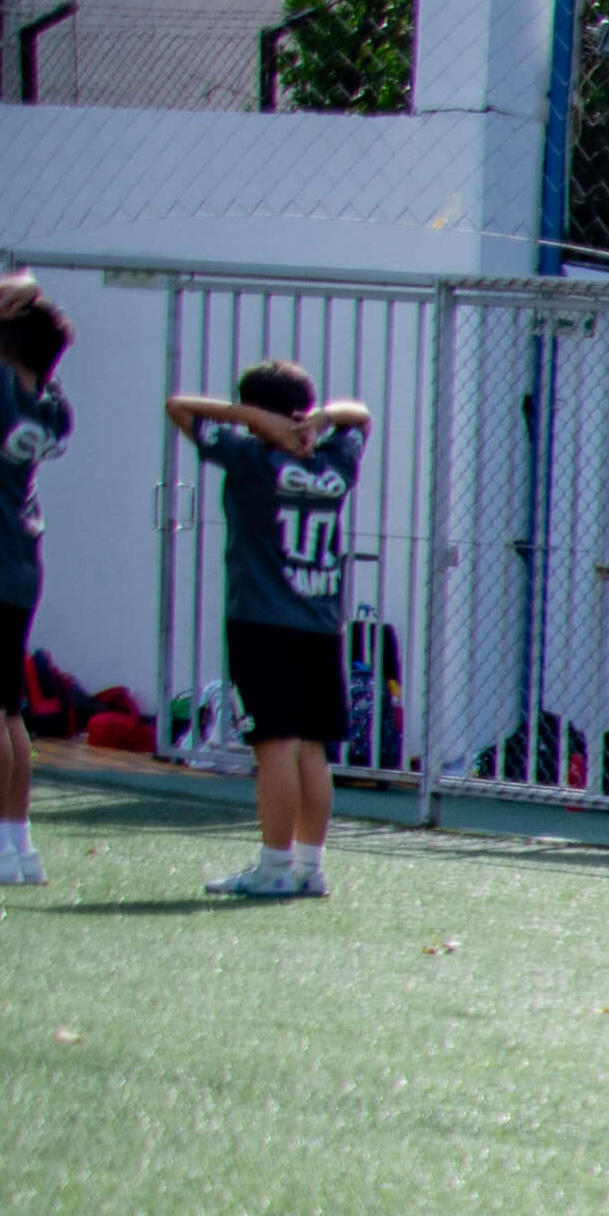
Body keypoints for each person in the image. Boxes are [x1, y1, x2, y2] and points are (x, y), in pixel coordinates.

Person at [164, 360, 377, 901]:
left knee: (275, 747)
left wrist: (251, 420)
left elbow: (178, 407)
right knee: (311, 750)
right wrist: (322, 419)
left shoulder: (251, 458)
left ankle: (275, 865)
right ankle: (309, 866)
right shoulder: (335, 461)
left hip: (263, 623)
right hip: (320, 625)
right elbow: (361, 416)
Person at [0, 273, 75, 886]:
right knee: (5, 712)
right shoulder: (51, 405)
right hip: (16, 566)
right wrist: (10, 303)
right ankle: (16, 843)